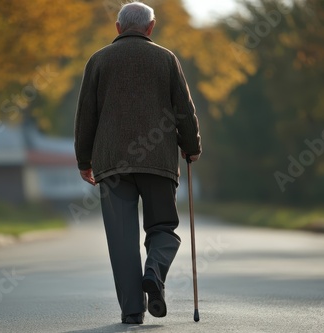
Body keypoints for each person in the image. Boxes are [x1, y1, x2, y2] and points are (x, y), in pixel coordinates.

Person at [74, 1, 201, 325]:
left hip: (112, 164)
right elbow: (184, 109)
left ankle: (132, 311)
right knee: (163, 228)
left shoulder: (98, 60)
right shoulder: (165, 59)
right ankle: (154, 275)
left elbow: (86, 115)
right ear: (150, 27)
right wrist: (191, 146)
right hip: (157, 162)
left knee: (121, 239)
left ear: (118, 28)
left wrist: (83, 160)